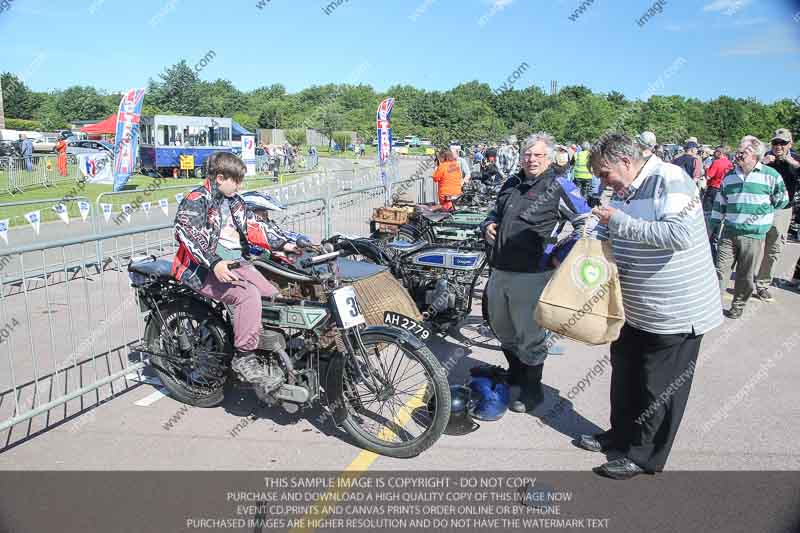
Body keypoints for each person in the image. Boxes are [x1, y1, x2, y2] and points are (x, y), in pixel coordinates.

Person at [579, 133, 722, 480]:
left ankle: (645, 457)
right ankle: (621, 436)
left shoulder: (670, 180)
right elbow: (617, 231)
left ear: (626, 163)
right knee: (626, 378)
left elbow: (678, 235)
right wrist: (592, 232)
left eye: (604, 174)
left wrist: (617, 221)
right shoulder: (624, 189)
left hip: (675, 312)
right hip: (637, 309)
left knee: (659, 388)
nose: (602, 182)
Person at [480, 133, 594, 414]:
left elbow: (587, 224)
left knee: (529, 335)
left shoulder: (559, 185)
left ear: (550, 157)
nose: (531, 160)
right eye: (527, 154)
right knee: (502, 328)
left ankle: (533, 390)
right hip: (499, 269)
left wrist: (562, 255)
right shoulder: (511, 183)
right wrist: (488, 225)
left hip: (532, 274)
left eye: (538, 155)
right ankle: (516, 373)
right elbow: (494, 213)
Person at [172, 152, 281, 383]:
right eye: (237, 181)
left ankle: (268, 347)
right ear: (220, 177)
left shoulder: (233, 201)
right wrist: (214, 262)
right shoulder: (196, 200)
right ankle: (244, 356)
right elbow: (187, 233)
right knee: (247, 295)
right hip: (197, 269)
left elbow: (255, 226)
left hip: (233, 263)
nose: (239, 186)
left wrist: (289, 242)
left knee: (273, 294)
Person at [710, 135, 788, 319]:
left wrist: (764, 216)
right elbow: (719, 203)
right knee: (720, 270)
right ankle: (713, 306)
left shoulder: (770, 175)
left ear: (755, 154)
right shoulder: (730, 176)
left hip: (753, 235)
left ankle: (738, 306)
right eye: (739, 150)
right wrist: (712, 225)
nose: (738, 154)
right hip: (729, 232)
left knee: (745, 276)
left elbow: (782, 199)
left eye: (743, 151)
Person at [755, 128, 800, 299]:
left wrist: (794, 165)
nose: (778, 146)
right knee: (751, 246)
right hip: (760, 208)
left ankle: (762, 284)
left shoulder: (796, 159)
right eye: (775, 142)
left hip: (782, 210)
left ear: (790, 144)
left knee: (774, 248)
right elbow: (744, 173)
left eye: (783, 143)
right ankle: (745, 281)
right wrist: (762, 164)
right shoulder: (764, 157)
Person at [703, 147, 733, 216]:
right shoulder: (730, 163)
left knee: (707, 211)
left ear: (719, 153)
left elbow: (708, 176)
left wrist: (706, 169)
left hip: (713, 188)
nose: (713, 153)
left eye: (715, 152)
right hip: (724, 189)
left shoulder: (716, 162)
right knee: (719, 211)